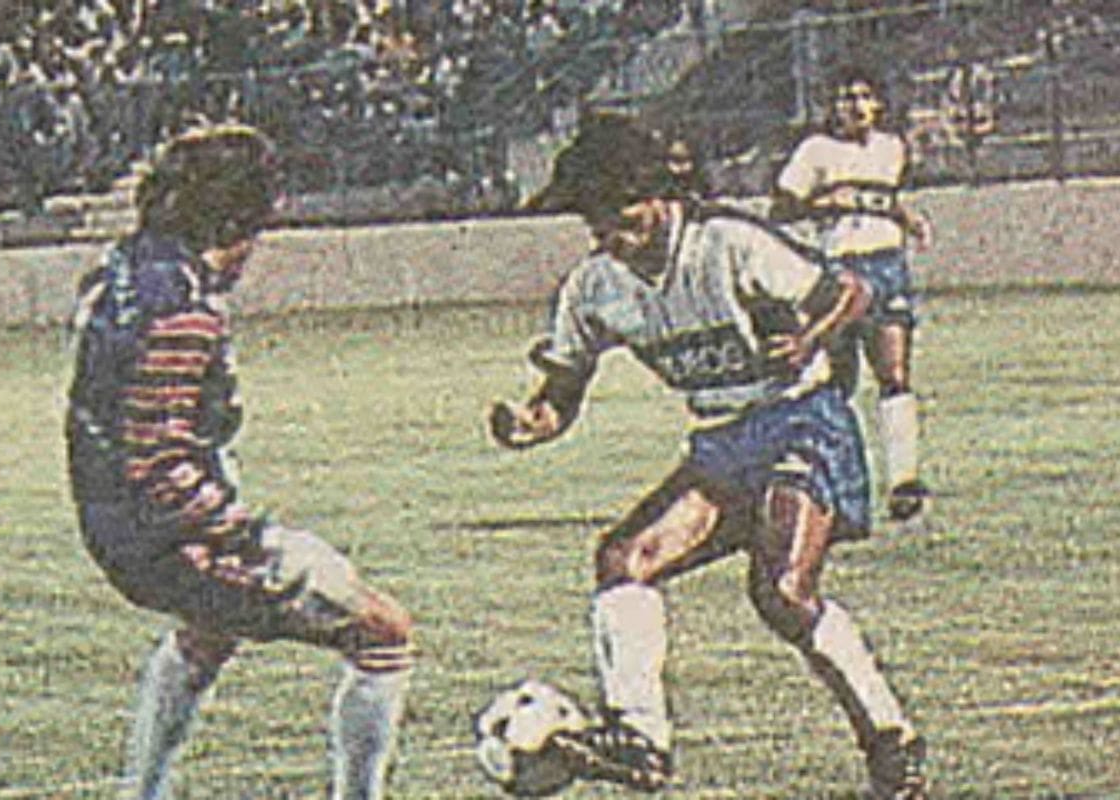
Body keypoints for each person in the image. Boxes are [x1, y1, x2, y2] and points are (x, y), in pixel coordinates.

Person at [487, 116, 927, 799]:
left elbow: (853, 292)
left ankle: (890, 736)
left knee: (781, 593)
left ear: (659, 195)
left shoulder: (728, 243)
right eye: (595, 220)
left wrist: (813, 336)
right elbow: (561, 391)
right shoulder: (595, 287)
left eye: (620, 213)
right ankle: (640, 740)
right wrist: (531, 422)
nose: (609, 233)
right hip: (722, 444)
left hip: (802, 424)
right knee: (622, 560)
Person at [65, 123, 414, 800]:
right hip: (171, 539)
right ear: (236, 220)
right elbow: (159, 462)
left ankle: (145, 792)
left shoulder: (120, 271)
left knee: (210, 633)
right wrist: (245, 533)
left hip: (111, 527)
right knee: (384, 634)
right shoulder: (184, 312)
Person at [770, 64, 934, 523]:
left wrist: (906, 218)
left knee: (894, 373)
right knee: (836, 383)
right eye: (845, 98)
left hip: (887, 265)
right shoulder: (815, 151)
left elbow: (885, 197)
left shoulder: (891, 148)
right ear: (831, 107)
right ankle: (837, 489)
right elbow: (780, 207)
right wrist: (822, 202)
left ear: (878, 103)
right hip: (839, 272)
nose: (856, 107)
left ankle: (904, 480)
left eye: (864, 96)